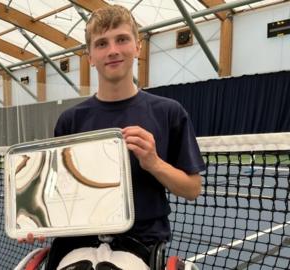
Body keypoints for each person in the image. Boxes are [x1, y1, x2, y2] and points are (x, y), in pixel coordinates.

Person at [21, 5, 205, 270]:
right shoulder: (70, 121)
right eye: (101, 43)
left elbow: (192, 189)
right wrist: (36, 221)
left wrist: (154, 163)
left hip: (140, 245)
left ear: (138, 47)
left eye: (122, 39)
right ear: (91, 57)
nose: (113, 50)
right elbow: (55, 193)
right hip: (75, 245)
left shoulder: (169, 113)